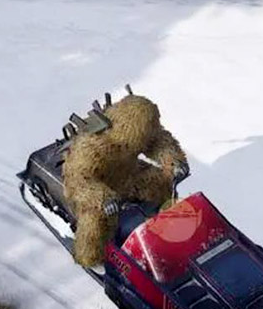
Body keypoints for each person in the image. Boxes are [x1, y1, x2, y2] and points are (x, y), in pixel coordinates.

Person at [62, 94, 188, 267]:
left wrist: (174, 162)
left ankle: (168, 221)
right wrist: (102, 198)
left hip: (128, 176)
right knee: (93, 221)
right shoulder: (92, 144)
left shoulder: (141, 134)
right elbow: (78, 181)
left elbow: (159, 140)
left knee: (163, 180)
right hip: (100, 187)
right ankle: (89, 258)